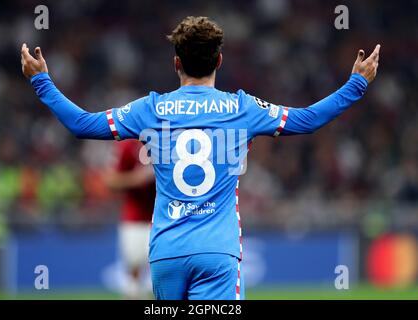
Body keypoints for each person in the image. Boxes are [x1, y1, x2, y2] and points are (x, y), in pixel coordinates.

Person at [21, 16, 380, 300]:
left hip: (166, 253)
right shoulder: (242, 107)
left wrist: (42, 82)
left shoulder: (151, 109)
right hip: (217, 253)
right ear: (219, 60)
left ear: (176, 62)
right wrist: (356, 84)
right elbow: (307, 120)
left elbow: (83, 124)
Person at [104, 140, 155, 298]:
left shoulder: (170, 137)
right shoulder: (128, 144)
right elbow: (110, 180)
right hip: (135, 220)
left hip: (165, 219)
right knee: (133, 276)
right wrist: (136, 179)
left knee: (164, 278)